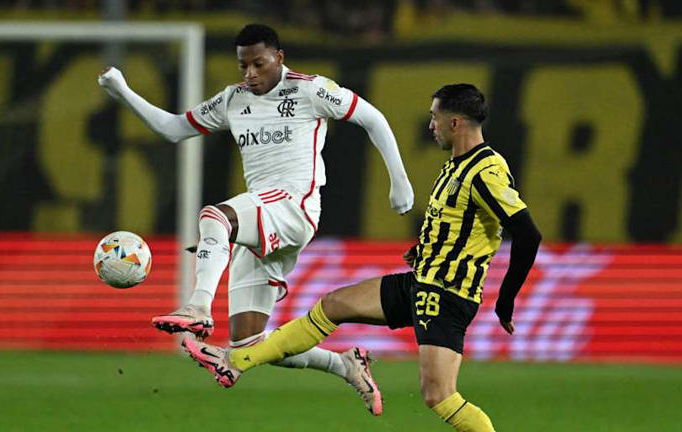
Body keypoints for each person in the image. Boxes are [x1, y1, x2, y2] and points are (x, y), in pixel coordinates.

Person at [182, 84, 542, 430]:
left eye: (434, 117)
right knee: (333, 305)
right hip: (422, 283)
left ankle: (237, 360)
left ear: (455, 122)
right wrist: (425, 250)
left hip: (446, 296)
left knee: (440, 396)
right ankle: (237, 360)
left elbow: (527, 234)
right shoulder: (457, 165)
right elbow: (463, 225)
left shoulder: (485, 172)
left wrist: (505, 301)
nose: (430, 125)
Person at [98, 24, 414, 415]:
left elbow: (373, 118)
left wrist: (399, 182)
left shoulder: (310, 89)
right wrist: (124, 93)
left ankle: (197, 307)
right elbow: (175, 129)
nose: (249, 74)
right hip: (263, 214)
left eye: (258, 64)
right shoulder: (233, 100)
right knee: (251, 344)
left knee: (214, 214)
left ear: (279, 58)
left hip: (295, 206)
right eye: (243, 65)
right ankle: (345, 363)